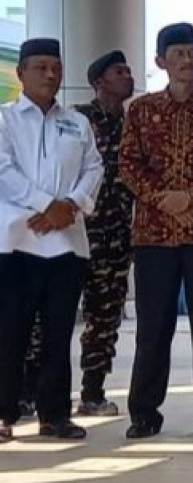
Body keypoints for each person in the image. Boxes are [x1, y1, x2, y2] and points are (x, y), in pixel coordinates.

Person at [119, 22, 193, 439]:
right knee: (153, 327)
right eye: (177, 55)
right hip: (154, 237)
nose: (187, 61)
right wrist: (165, 201)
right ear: (160, 62)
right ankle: (144, 413)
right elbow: (129, 166)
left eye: (192, 53)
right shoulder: (139, 110)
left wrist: (189, 199)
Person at [16, 49, 136, 420]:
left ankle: (93, 391)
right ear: (99, 81)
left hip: (115, 235)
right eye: (119, 71)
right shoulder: (77, 119)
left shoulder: (135, 123)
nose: (128, 76)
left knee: (105, 317)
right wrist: (60, 208)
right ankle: (28, 393)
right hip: (69, 230)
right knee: (44, 320)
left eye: (129, 70)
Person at [0, 38, 104, 442]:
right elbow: (4, 170)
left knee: (59, 335)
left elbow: (94, 168)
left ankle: (55, 415)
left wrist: (70, 205)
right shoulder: (5, 120)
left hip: (66, 244)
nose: (50, 74)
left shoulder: (76, 122)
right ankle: (5, 412)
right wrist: (46, 205)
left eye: (56, 67)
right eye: (40, 67)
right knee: (11, 332)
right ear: (21, 72)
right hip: (17, 242)